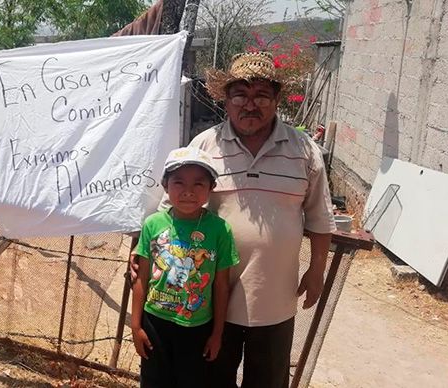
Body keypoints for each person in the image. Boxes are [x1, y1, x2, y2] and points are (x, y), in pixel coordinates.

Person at [131, 51, 336, 387]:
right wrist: (140, 257)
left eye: (261, 96)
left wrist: (317, 271)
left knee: (268, 382)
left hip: (274, 299)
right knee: (212, 382)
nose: (250, 104)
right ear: (226, 99)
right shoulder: (204, 146)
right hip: (210, 305)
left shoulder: (303, 150)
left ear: (277, 99)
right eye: (240, 94)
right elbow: (169, 212)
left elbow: (320, 216)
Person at [131, 146, 240, 388]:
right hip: (154, 322)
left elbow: (221, 286)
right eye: (179, 182)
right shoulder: (152, 224)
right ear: (165, 185)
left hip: (197, 328)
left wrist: (217, 333)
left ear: (211, 189)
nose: (188, 192)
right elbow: (141, 278)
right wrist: (136, 325)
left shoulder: (220, 230)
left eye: (198, 184)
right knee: (154, 382)